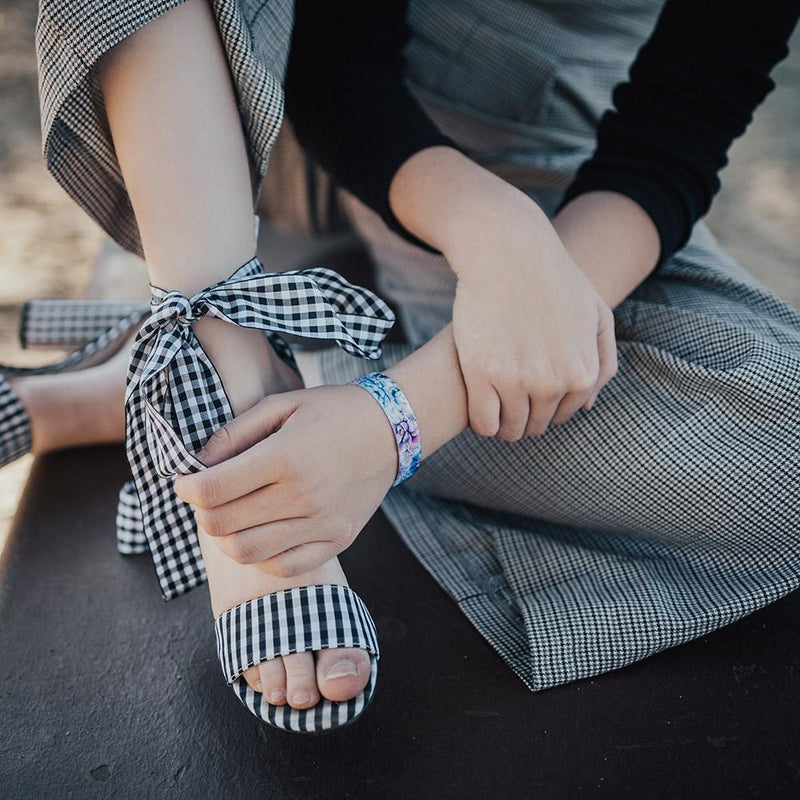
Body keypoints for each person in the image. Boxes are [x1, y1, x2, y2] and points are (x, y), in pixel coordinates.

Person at [5, 0, 798, 730]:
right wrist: (485, 225)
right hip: (231, 107)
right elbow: (337, 59)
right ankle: (231, 375)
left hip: (543, 151)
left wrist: (399, 420)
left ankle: (218, 388)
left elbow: (671, 143)